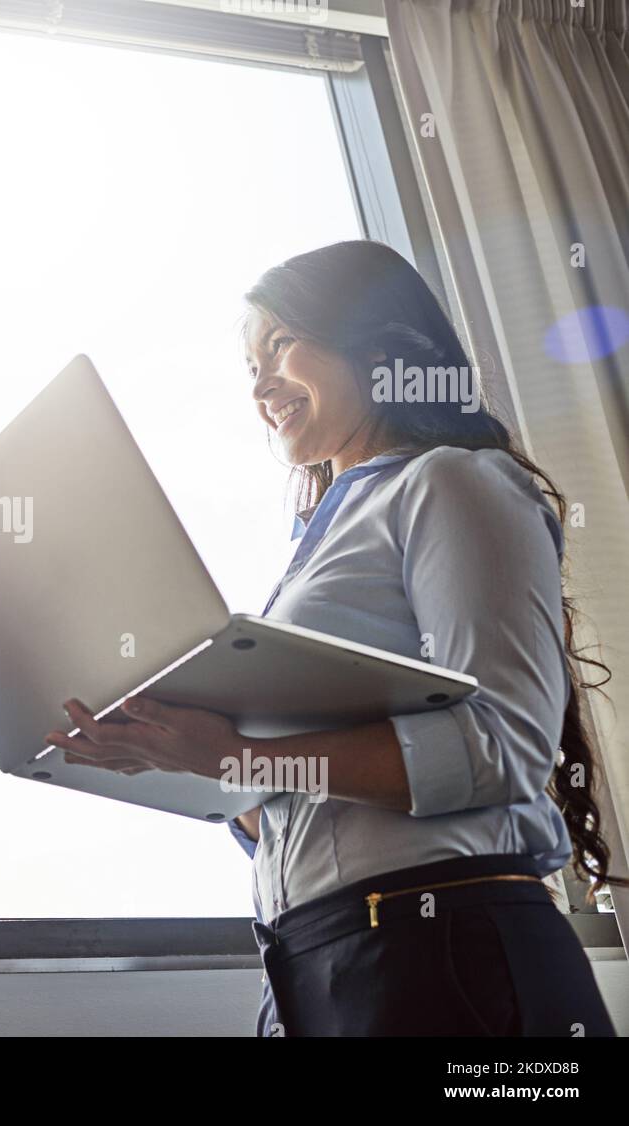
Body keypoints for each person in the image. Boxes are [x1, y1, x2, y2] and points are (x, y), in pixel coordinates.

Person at [46, 240, 624, 1036]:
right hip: (311, 955)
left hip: (443, 951)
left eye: (280, 343)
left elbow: (503, 746)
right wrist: (177, 757)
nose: (260, 383)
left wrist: (233, 758)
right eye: (249, 363)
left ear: (378, 342)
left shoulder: (448, 482)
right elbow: (300, 796)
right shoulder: (316, 548)